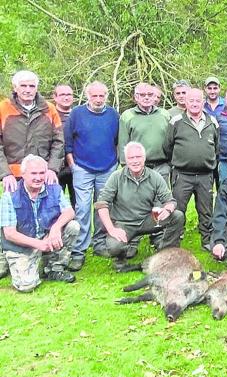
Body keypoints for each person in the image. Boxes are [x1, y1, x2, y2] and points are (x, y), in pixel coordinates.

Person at [95, 142, 184, 272]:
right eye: (131, 158)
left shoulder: (154, 176)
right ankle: (121, 259)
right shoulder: (116, 177)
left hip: (147, 220)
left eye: (138, 157)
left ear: (144, 158)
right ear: (125, 160)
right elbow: (102, 204)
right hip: (124, 224)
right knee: (114, 246)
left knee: (177, 216)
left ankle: (165, 254)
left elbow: (170, 200)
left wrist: (168, 208)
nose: (135, 161)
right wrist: (112, 229)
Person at [0, 155, 79, 291]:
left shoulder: (54, 189)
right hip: (21, 245)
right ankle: (12, 260)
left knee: (73, 226)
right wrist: (38, 244)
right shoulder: (10, 196)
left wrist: (55, 228)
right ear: (23, 174)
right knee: (26, 286)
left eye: (42, 173)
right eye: (33, 173)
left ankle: (54, 268)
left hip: (45, 238)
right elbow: (9, 234)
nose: (38, 177)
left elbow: (69, 212)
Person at [64, 81, 119, 270]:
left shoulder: (113, 115)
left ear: (106, 96)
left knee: (102, 207)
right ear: (87, 95)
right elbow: (68, 143)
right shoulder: (76, 114)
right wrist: (73, 165)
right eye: (94, 95)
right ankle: (79, 251)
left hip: (107, 168)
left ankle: (99, 244)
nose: (98, 99)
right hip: (83, 169)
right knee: (82, 209)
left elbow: (118, 140)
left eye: (101, 95)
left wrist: (116, 162)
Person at [164, 88, 219, 249]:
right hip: (182, 175)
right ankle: (174, 242)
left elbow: (217, 147)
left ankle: (207, 240)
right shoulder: (176, 122)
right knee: (178, 210)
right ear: (185, 103)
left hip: (205, 175)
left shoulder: (212, 121)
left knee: (206, 210)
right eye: (191, 101)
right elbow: (168, 147)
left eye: (198, 100)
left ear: (203, 102)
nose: (195, 104)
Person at [0, 70, 64, 194]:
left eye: (32, 86)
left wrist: (52, 168)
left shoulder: (49, 109)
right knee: (14, 211)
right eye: (23, 86)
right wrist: (5, 173)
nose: (28, 90)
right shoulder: (3, 108)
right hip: (13, 176)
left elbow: (59, 142)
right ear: (15, 87)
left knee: (46, 212)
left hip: (42, 175)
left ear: (36, 88)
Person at [118, 82, 171, 183]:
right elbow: (123, 144)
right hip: (137, 166)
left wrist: (170, 163)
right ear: (136, 97)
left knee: (161, 197)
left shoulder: (164, 114)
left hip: (162, 166)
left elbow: (171, 140)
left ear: (155, 96)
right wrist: (126, 165)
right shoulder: (127, 116)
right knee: (139, 197)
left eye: (150, 95)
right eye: (142, 95)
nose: (146, 98)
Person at [53, 84, 76, 207]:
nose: (66, 98)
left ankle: (77, 227)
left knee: (78, 204)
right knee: (56, 204)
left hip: (76, 167)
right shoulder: (50, 115)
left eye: (69, 95)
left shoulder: (78, 115)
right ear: (55, 97)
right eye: (62, 94)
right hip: (56, 168)